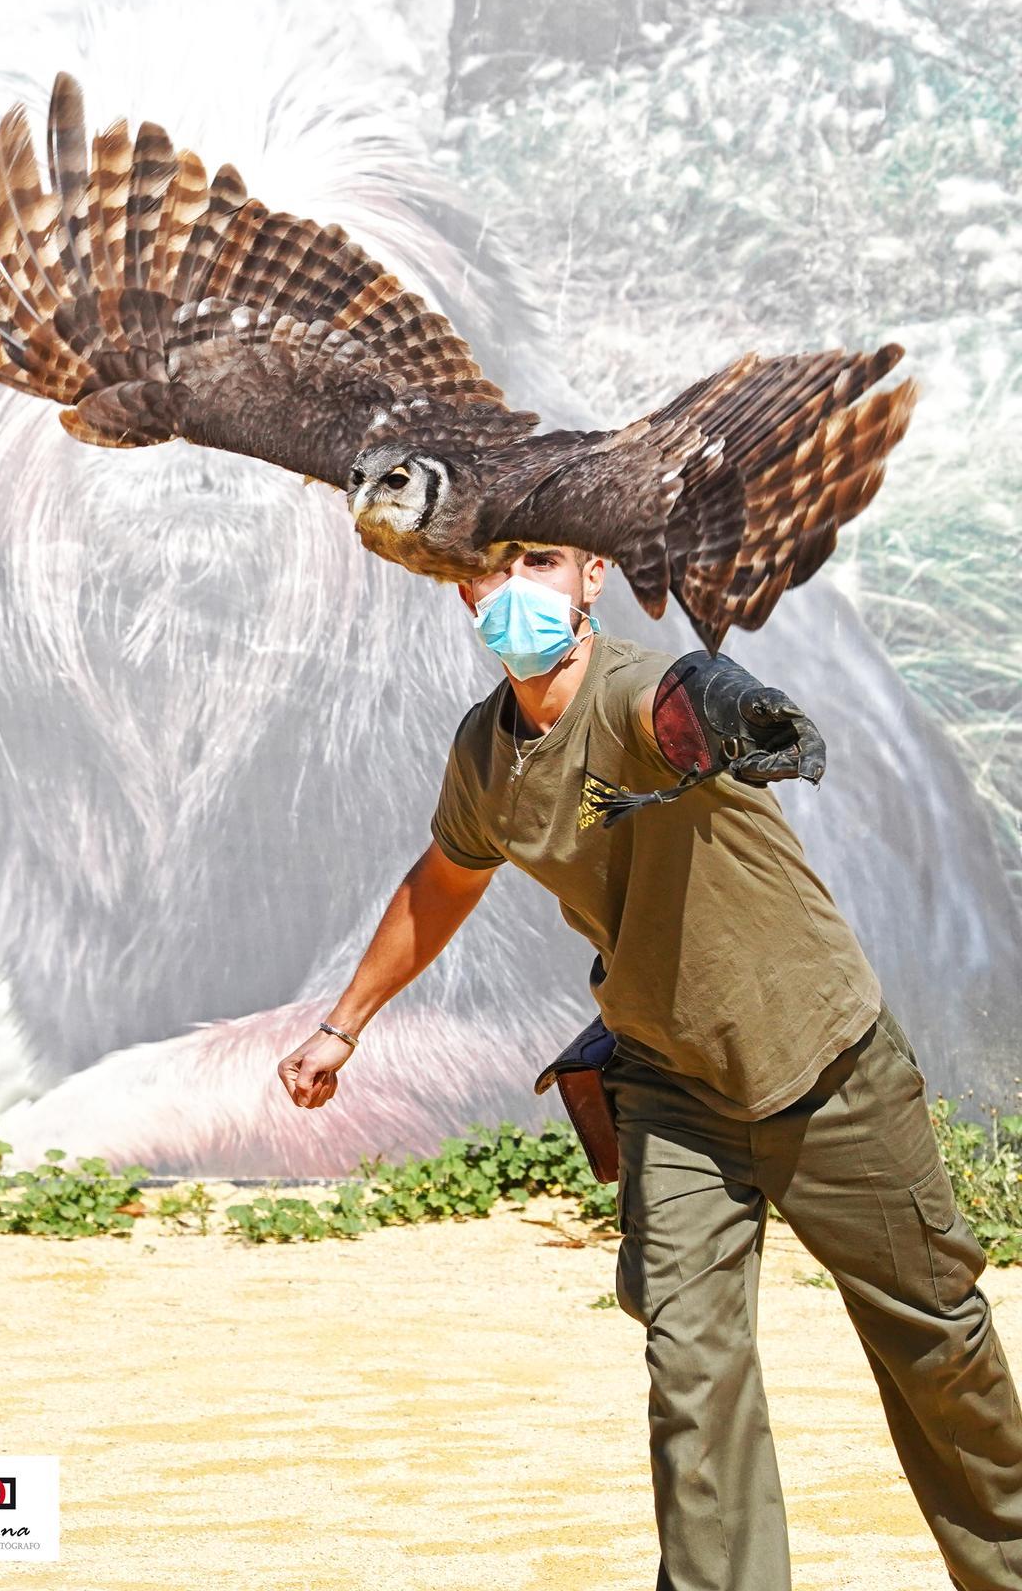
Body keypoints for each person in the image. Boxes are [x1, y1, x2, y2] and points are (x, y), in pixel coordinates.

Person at [277, 544, 1022, 1591]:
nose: (514, 588)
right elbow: (444, 877)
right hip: (673, 1088)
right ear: (463, 592)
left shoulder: (639, 694)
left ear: (589, 578)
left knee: (936, 1345)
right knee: (691, 1374)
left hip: (824, 1061)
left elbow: (684, 701)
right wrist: (344, 1024)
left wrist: (740, 713)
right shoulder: (485, 757)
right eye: (489, 569)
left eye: (540, 559)